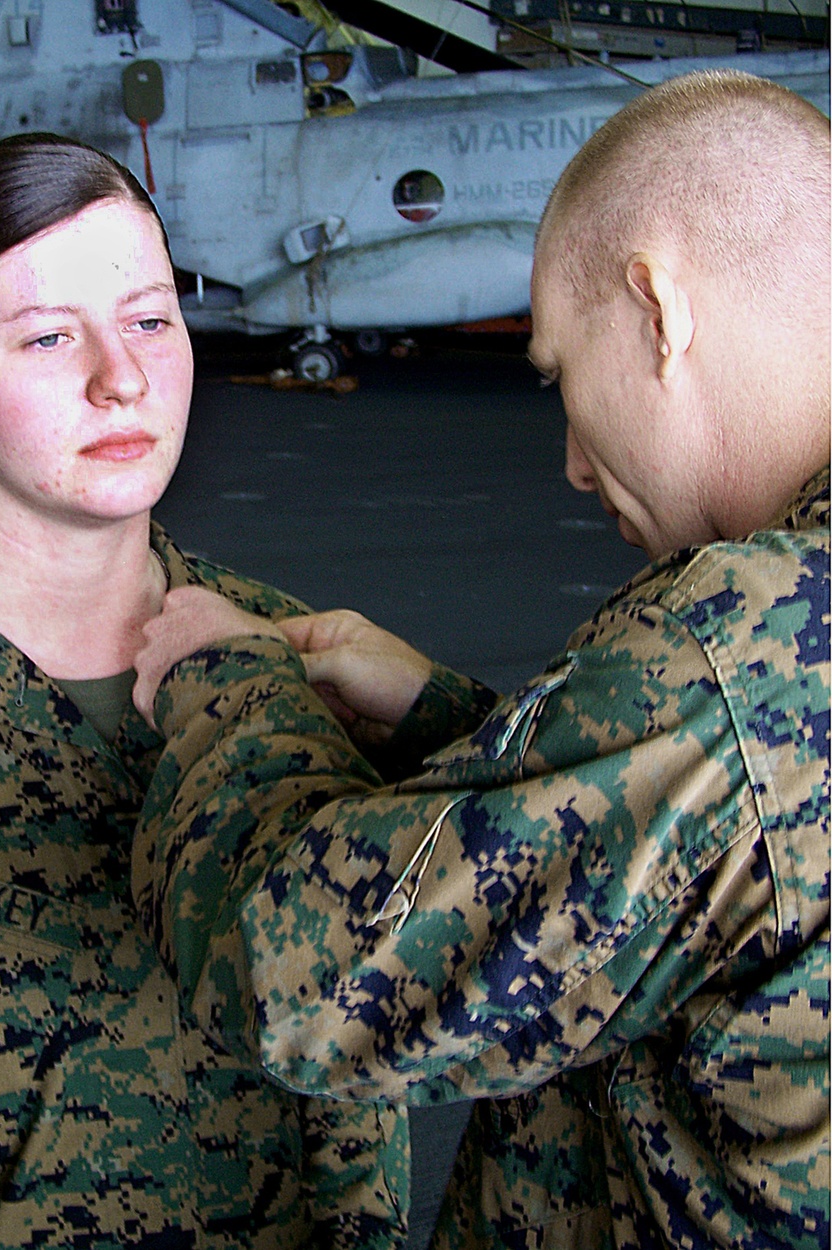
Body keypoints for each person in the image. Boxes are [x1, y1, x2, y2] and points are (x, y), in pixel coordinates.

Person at [129, 69, 830, 1249]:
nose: (566, 459)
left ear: (658, 309)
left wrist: (228, 686)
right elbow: (737, 859)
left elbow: (310, 984)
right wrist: (446, 720)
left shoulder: (741, 651)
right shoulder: (760, 682)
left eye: (559, 373)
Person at [0, 133, 410, 1248]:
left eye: (150, 319)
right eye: (49, 336)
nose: (123, 377)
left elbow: (362, 1114)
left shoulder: (307, 680)